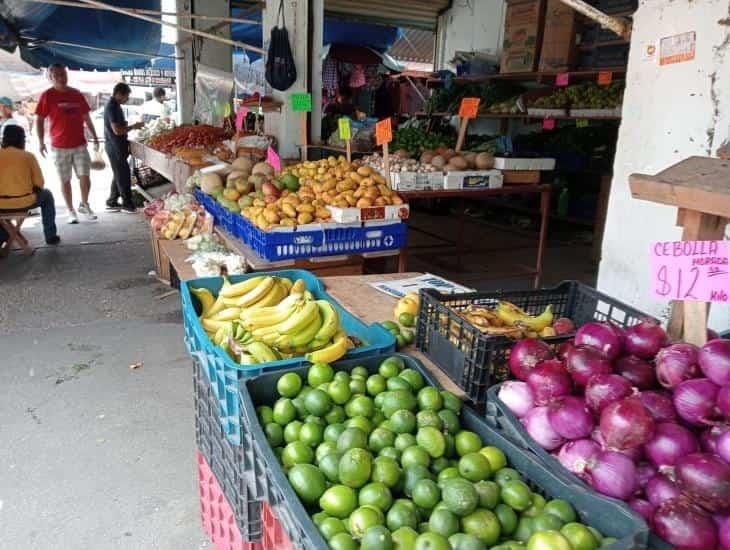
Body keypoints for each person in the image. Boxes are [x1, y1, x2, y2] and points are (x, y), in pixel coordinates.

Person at [36, 64, 99, 224]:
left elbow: (86, 116)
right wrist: (41, 141)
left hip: (79, 144)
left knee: (85, 176)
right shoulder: (47, 96)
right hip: (58, 146)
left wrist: (95, 135)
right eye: (56, 75)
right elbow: (40, 119)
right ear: (50, 78)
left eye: (63, 74)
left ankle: (85, 204)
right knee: (65, 180)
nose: (61, 78)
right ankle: (71, 210)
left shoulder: (76, 94)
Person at [0, 125, 59, 245]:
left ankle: (5, 235)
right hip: (24, 202)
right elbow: (39, 183)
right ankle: (50, 235)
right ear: (21, 139)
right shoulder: (28, 157)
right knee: (47, 195)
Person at [104, 82, 144, 213]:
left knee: (118, 173)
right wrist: (133, 126)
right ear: (119, 94)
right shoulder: (112, 107)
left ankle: (112, 201)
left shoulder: (116, 106)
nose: (127, 99)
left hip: (117, 145)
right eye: (127, 96)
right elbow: (117, 130)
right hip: (114, 146)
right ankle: (127, 204)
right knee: (123, 174)